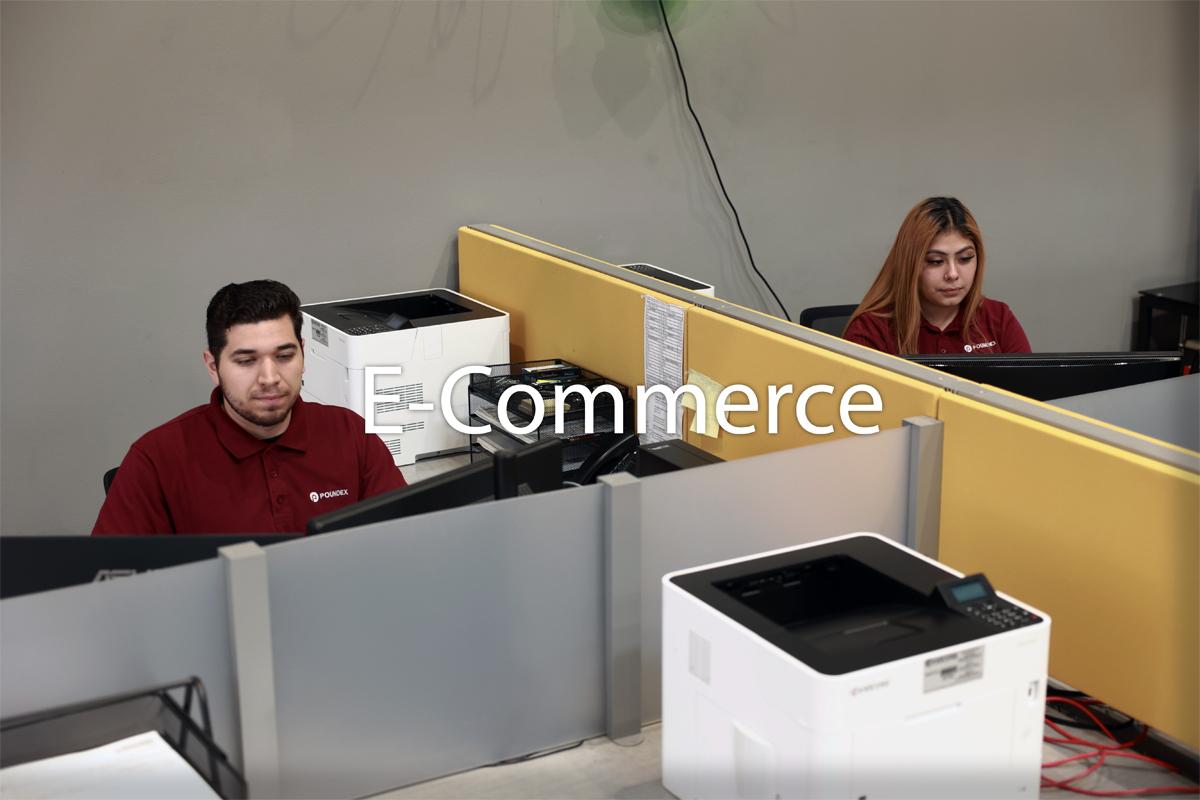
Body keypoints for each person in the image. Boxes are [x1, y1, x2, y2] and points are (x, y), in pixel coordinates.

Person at [93, 280, 407, 535]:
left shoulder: (351, 434)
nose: (269, 378)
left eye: (284, 356)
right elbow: (112, 583)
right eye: (246, 361)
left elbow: (406, 543)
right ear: (213, 366)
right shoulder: (155, 460)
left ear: (303, 355)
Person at [843, 197, 1031, 356]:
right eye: (936, 261)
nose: (952, 274)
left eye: (965, 258)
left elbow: (1028, 388)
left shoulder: (998, 317)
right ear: (910, 264)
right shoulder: (870, 329)